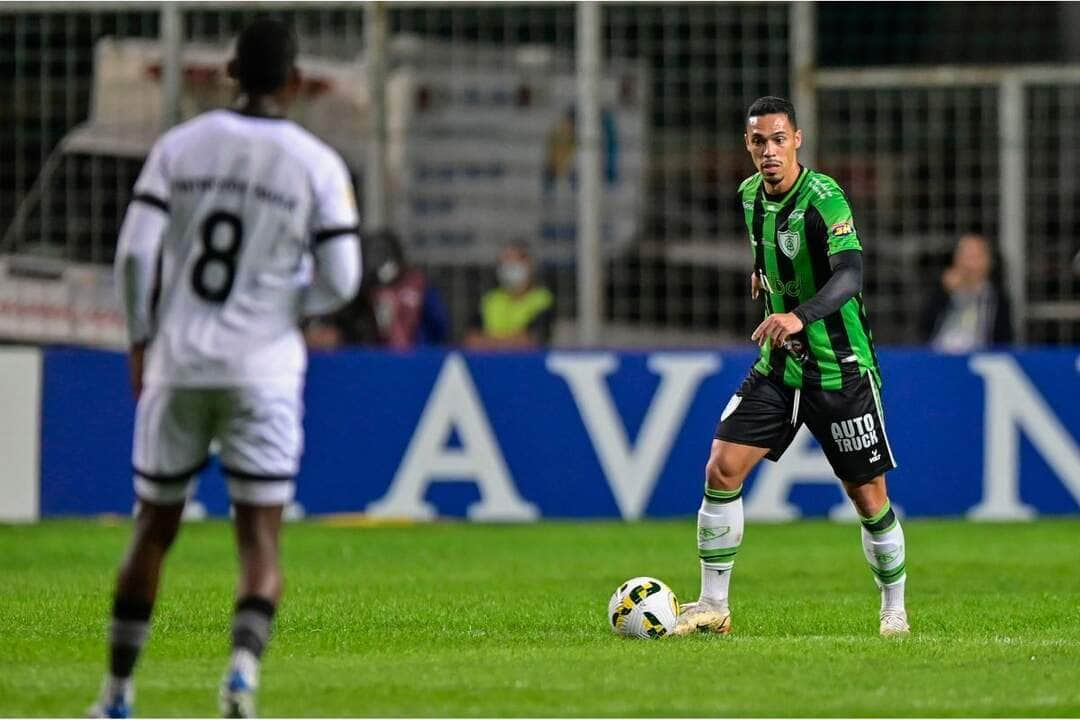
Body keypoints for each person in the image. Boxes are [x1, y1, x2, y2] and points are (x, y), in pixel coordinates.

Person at [90, 19, 361, 718]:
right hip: (264, 370)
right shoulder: (316, 162)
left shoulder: (180, 147)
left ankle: (116, 696)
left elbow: (132, 256)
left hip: (178, 363)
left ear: (230, 73)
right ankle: (241, 675)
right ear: (296, 83)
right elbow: (343, 276)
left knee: (153, 526)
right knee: (260, 537)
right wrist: (285, 304)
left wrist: (141, 338)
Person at [676, 96, 909, 638]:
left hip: (840, 368)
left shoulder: (825, 197)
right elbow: (766, 250)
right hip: (778, 368)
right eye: (759, 141)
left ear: (797, 140)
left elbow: (850, 275)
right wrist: (763, 275)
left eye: (779, 139)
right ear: (748, 146)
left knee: (868, 497)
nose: (769, 151)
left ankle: (893, 608)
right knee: (722, 469)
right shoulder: (749, 196)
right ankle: (713, 605)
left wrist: (799, 315)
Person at [305, 228, 449, 350]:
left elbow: (440, 327)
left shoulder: (419, 284)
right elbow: (347, 325)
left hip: (414, 357)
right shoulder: (362, 289)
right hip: (373, 358)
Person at [921, 232, 1013, 352]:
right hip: (940, 358)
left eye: (977, 257)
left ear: (988, 261)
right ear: (956, 259)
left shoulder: (996, 298)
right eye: (966, 256)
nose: (970, 264)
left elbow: (1004, 340)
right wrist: (943, 293)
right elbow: (923, 329)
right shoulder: (940, 292)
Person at [464, 242, 553, 350]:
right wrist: (510, 341)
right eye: (505, 261)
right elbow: (471, 339)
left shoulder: (542, 299)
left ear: (529, 264)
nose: (509, 266)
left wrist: (490, 342)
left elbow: (531, 340)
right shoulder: (491, 299)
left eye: (515, 261)